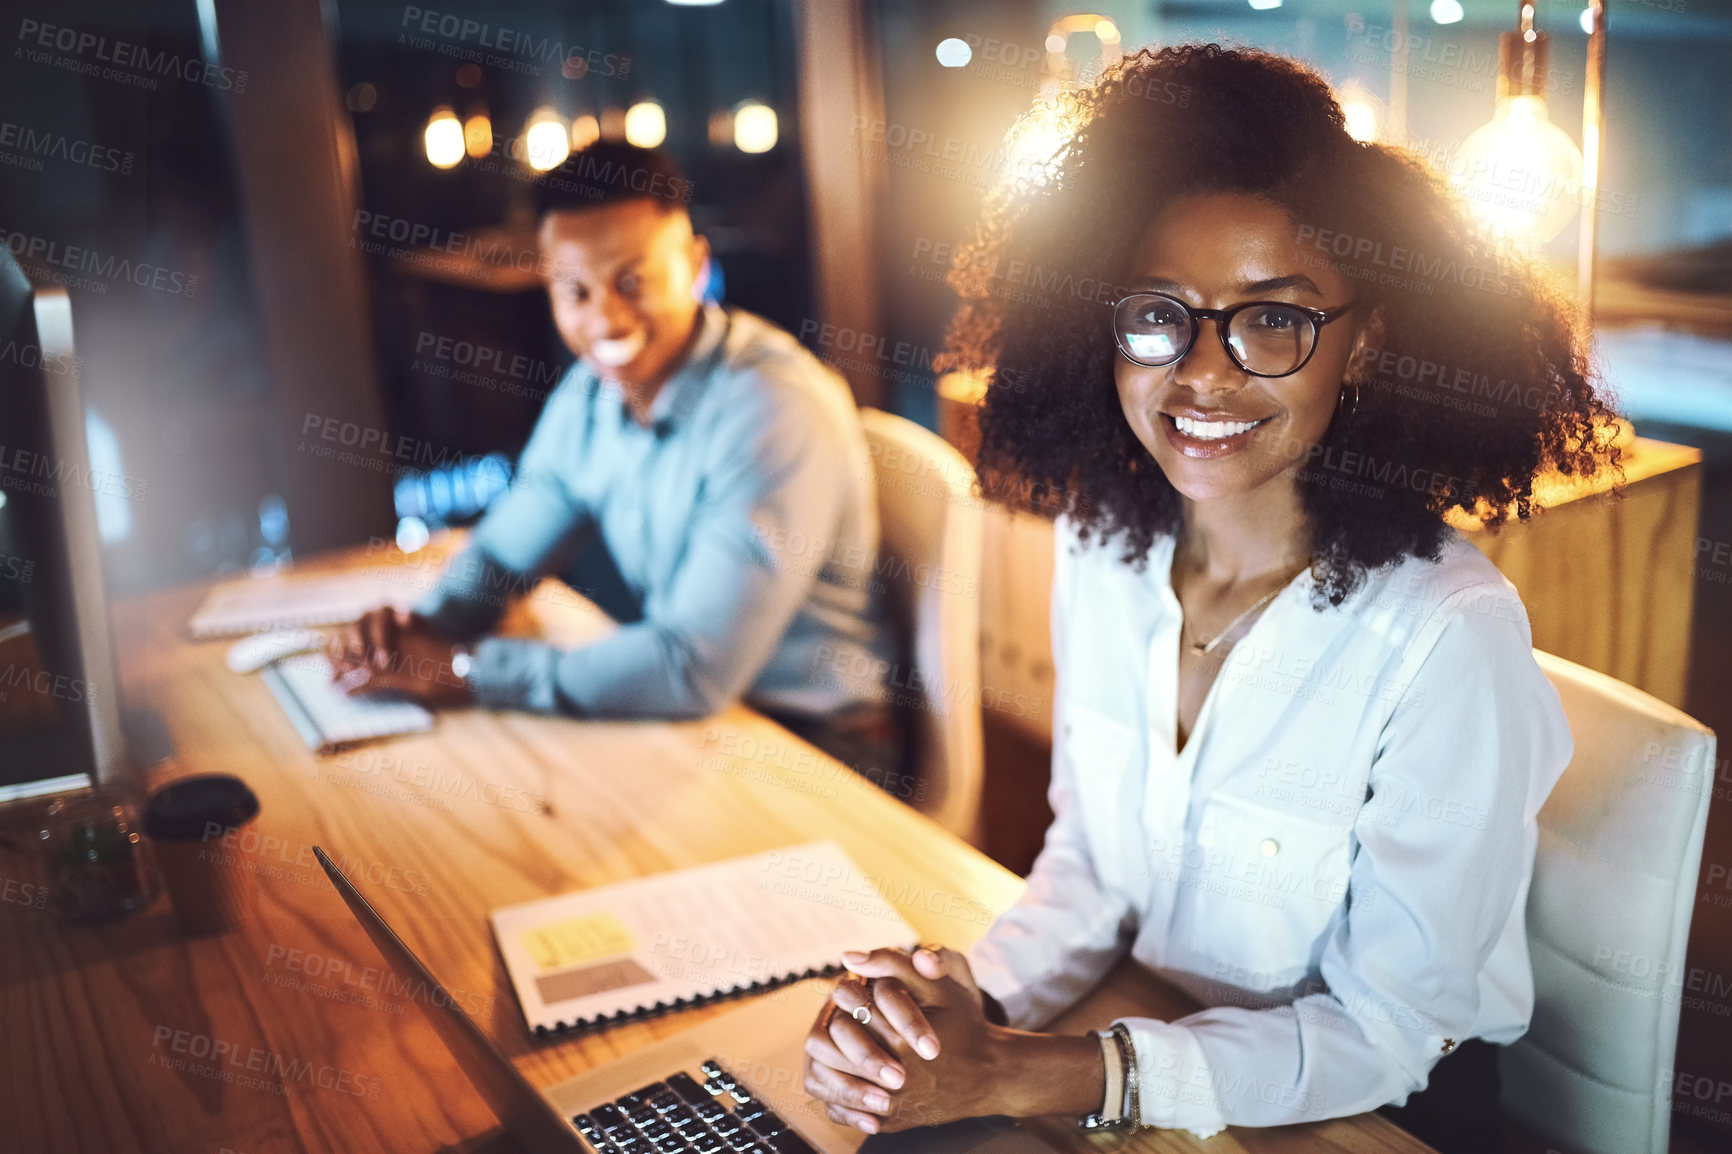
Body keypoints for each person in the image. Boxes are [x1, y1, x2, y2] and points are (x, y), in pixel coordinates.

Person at [799, 45, 1620, 1152]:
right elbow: (1088, 869)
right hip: (1146, 1042)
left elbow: (1387, 1027)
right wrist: (952, 1016)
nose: (1201, 372)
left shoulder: (1445, 636)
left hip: (1364, 1112)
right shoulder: (1101, 547)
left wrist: (1037, 1071)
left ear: (1365, 342)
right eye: (1157, 314)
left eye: (1271, 322)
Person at [328, 143, 898, 773]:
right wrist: (420, 632)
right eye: (575, 290)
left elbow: (690, 668)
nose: (605, 317)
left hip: (817, 747)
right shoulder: (591, 394)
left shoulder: (771, 407)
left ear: (696, 268)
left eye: (632, 281)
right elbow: (500, 556)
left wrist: (466, 669)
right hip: (700, 723)